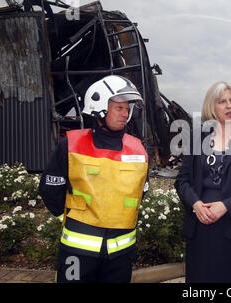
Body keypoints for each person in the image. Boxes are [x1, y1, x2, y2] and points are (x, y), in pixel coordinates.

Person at [39, 75, 149, 283]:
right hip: (77, 254)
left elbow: (141, 191)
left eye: (127, 109)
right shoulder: (70, 145)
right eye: (119, 108)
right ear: (99, 105)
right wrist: (69, 218)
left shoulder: (138, 149)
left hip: (120, 255)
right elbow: (50, 190)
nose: (125, 114)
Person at [174, 81, 231, 283]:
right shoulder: (196, 137)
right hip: (200, 227)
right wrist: (196, 205)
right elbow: (182, 181)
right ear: (211, 107)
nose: (229, 106)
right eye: (222, 102)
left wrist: (226, 206)